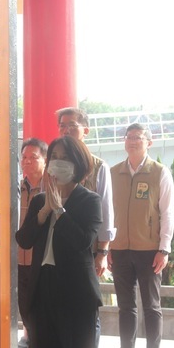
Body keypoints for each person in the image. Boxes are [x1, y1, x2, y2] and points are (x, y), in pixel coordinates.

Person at [15, 135, 102, 348]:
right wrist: (44, 212)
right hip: (44, 290)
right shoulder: (38, 201)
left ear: (77, 165)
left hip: (77, 294)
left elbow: (83, 242)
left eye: (65, 157)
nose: (57, 162)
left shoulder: (88, 201)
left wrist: (61, 211)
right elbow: (23, 239)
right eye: (55, 156)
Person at [105, 123, 174, 348]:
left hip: (150, 250)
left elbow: (168, 213)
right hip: (120, 248)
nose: (133, 141)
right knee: (125, 306)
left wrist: (164, 249)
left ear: (149, 142)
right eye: (129, 137)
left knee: (151, 306)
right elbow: (107, 212)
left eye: (138, 137)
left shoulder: (159, 172)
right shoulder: (113, 173)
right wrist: (106, 247)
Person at [56, 108, 116, 276]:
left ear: (86, 131)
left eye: (72, 125)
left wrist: (103, 252)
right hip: (56, 246)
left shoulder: (98, 166)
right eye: (62, 126)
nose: (66, 130)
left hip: (88, 247)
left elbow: (106, 211)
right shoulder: (53, 164)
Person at [16, 138, 47, 348]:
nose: (27, 162)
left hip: (42, 259)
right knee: (24, 306)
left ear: (45, 160)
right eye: (24, 157)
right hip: (19, 257)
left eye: (33, 157)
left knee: (40, 307)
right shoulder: (17, 187)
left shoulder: (51, 188)